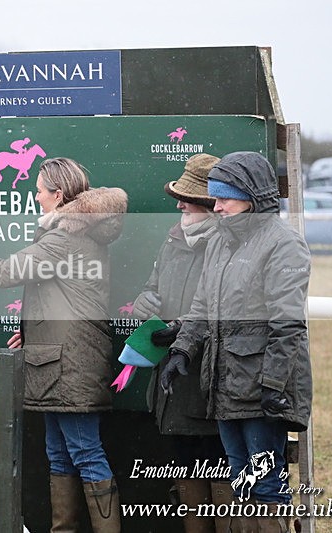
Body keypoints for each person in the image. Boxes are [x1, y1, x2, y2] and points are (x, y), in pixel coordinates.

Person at [0, 157, 128, 532]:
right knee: (59, 456)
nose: (36, 196)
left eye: (40, 190)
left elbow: (5, 272)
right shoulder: (74, 233)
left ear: (58, 195)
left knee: (85, 454)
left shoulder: (64, 237)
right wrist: (32, 331)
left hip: (69, 364)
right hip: (59, 358)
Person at [161, 152, 312, 533]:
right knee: (240, 485)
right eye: (215, 196)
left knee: (266, 487)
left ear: (253, 195)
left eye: (226, 196)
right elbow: (202, 306)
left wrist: (273, 386)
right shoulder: (219, 241)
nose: (218, 204)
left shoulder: (283, 244)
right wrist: (182, 348)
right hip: (225, 384)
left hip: (262, 389)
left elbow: (288, 324)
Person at [131, 153, 230, 533]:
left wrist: (180, 328)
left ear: (209, 204)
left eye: (187, 199)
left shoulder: (226, 245)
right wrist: (145, 306)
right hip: (172, 383)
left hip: (209, 382)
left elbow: (219, 308)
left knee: (220, 469)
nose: (179, 205)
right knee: (187, 469)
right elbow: (151, 290)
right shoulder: (173, 239)